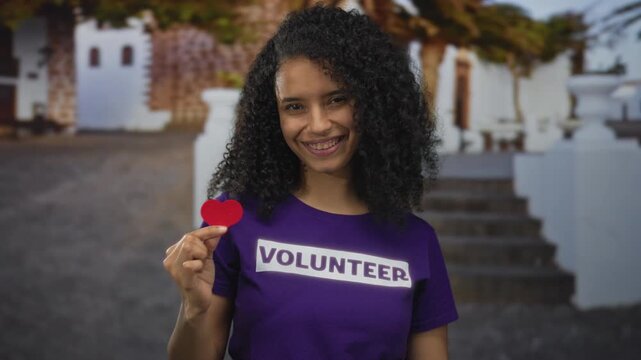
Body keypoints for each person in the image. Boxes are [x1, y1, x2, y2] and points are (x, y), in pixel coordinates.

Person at [163, 5, 458, 359]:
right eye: (294, 107)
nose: (317, 125)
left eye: (337, 99)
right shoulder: (234, 221)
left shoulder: (416, 240)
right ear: (273, 116)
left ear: (374, 102)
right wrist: (193, 311)